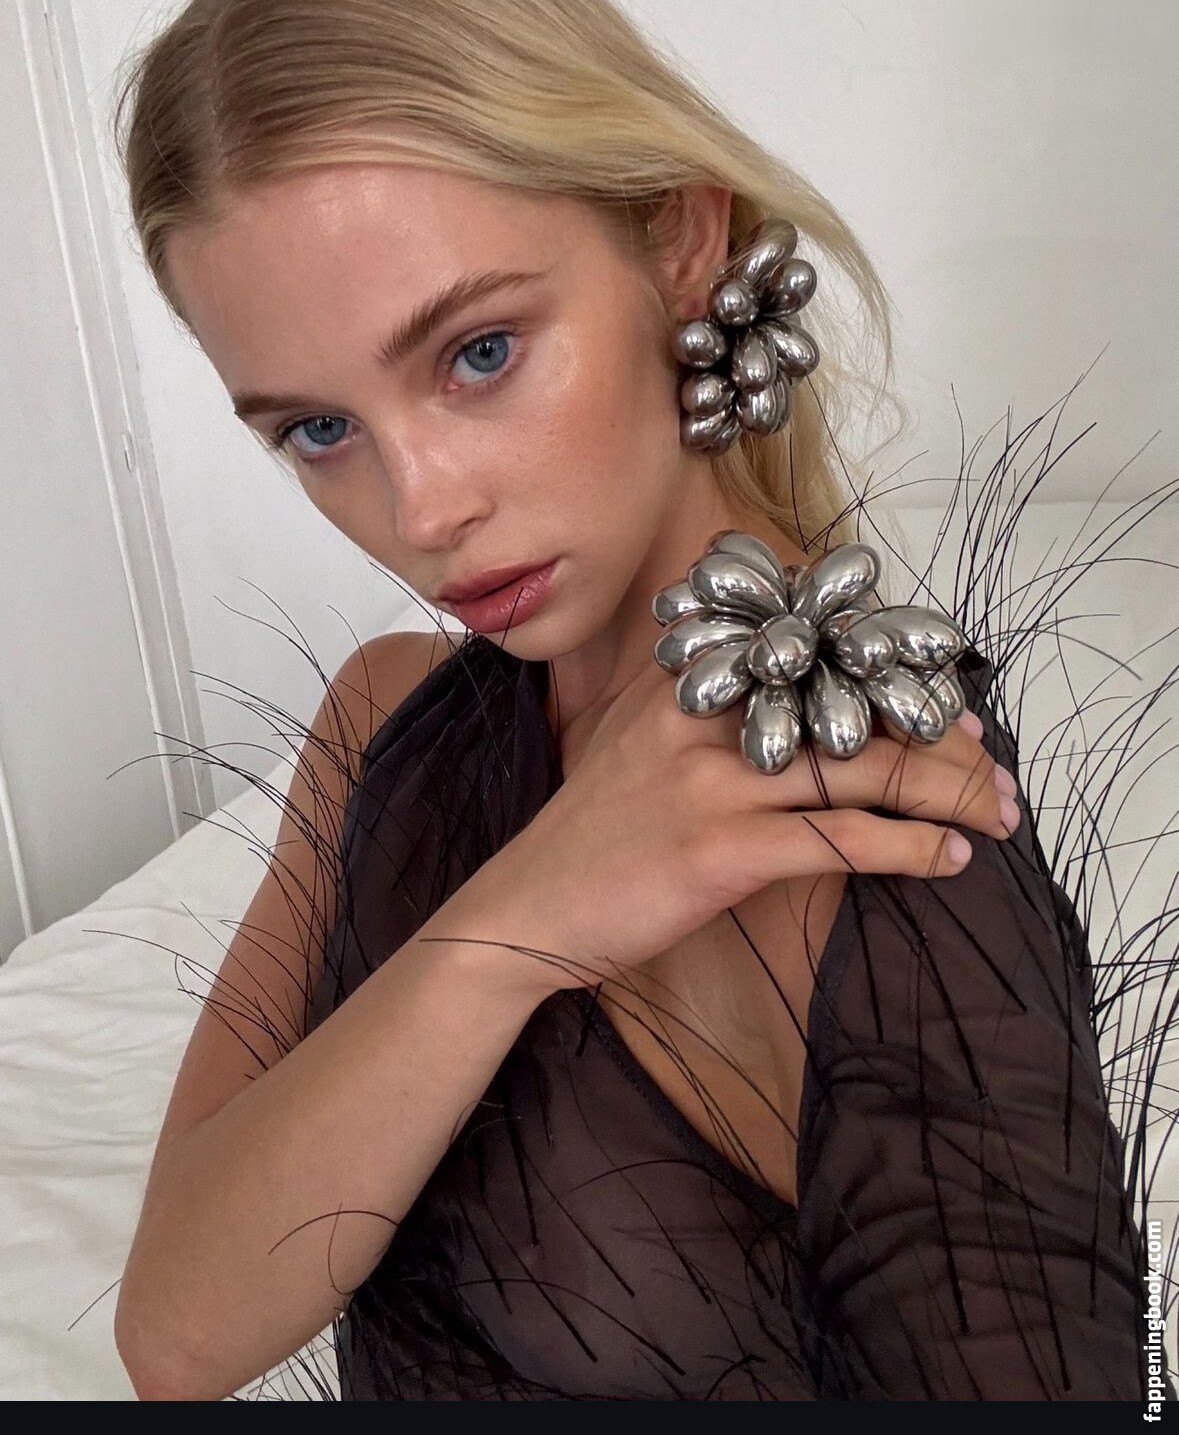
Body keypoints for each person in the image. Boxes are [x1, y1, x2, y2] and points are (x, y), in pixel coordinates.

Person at [108, 0, 1172, 1402]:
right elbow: (173, 1336)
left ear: (677, 239)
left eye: (480, 352)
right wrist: (525, 918)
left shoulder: (863, 819)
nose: (422, 512)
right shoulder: (385, 711)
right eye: (320, 429)